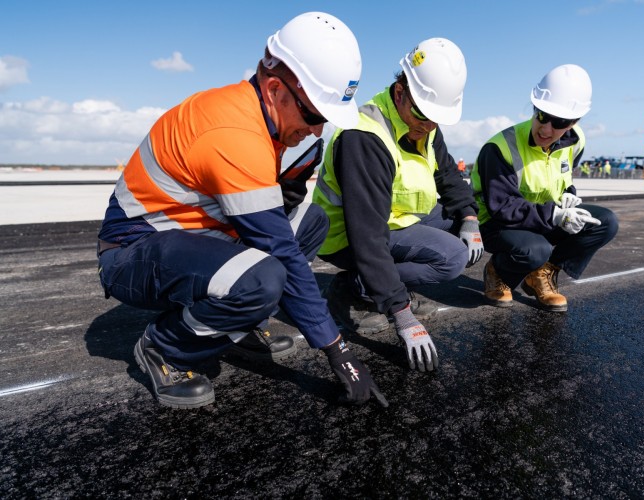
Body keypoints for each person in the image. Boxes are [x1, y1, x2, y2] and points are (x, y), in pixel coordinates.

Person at [96, 12, 387, 409]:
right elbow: (279, 250)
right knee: (262, 279)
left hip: (191, 235)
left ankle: (237, 322)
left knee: (311, 221)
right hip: (134, 251)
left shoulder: (261, 119)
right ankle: (165, 347)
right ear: (273, 88)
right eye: (315, 115)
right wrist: (339, 352)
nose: (318, 129)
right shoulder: (235, 133)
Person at [312, 38, 483, 372]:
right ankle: (356, 289)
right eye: (423, 116)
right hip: (346, 236)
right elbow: (367, 234)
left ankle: (380, 285)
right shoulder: (365, 136)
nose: (428, 126)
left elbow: (447, 174)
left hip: (395, 219)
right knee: (452, 258)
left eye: (436, 119)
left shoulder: (425, 123)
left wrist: (469, 216)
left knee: (464, 227)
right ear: (400, 91)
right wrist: (401, 312)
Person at [471, 64, 619, 312]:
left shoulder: (577, 141)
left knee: (605, 222)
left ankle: (541, 274)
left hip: (542, 217)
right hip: (498, 224)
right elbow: (503, 207)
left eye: (559, 121)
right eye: (541, 115)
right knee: (535, 249)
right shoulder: (500, 147)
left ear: (574, 121)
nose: (546, 129)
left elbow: (563, 174)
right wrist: (555, 215)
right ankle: (498, 270)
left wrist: (569, 196)